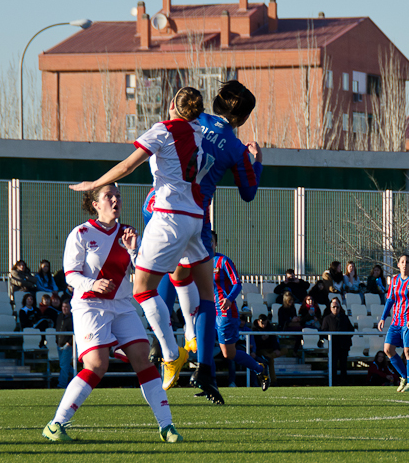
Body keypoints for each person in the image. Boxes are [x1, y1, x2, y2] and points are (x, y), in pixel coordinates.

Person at [70, 87, 222, 402]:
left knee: (142, 288)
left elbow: (128, 166)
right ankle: (198, 350)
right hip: (197, 217)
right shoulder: (202, 133)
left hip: (170, 215)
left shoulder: (164, 130)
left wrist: (94, 184)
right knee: (192, 285)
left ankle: (171, 353)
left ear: (171, 107)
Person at [140, 81, 263, 403]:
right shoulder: (235, 147)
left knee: (167, 276)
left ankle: (161, 345)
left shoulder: (194, 120)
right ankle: (203, 368)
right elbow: (249, 193)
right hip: (195, 217)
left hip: (157, 206)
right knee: (204, 293)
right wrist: (257, 161)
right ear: (243, 117)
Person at [43, 183, 182, 444]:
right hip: (89, 305)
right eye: (109, 196)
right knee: (97, 364)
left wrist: (132, 249)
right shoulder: (81, 233)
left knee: (144, 358)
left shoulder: (128, 233)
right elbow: (70, 274)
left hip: (121, 305)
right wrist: (92, 284)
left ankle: (167, 426)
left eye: (118, 196)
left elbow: (143, 272)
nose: (116, 200)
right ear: (95, 204)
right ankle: (55, 424)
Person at [211, 231, 269, 390]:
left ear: (216, 244)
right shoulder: (198, 263)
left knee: (228, 354)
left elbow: (237, 283)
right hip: (209, 312)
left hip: (225, 313)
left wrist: (229, 299)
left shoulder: (223, 261)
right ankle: (209, 386)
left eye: (211, 241)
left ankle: (260, 368)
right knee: (204, 347)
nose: (207, 244)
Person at [377, 254, 409, 393]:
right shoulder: (394, 280)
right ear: (398, 264)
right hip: (396, 322)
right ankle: (404, 376)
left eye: (407, 262)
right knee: (388, 349)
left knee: (408, 351)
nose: (404, 264)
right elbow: (390, 300)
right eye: (402, 262)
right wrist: (383, 318)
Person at [320, 297, 355, 385]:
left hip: (344, 345)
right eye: (334, 307)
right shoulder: (327, 319)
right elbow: (323, 331)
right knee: (333, 365)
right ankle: (333, 382)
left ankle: (344, 382)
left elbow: (351, 330)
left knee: (343, 365)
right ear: (330, 308)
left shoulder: (345, 317)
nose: (336, 309)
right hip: (333, 346)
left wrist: (345, 338)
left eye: (337, 307)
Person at [253, 314, 281, 384]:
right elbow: (254, 343)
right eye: (262, 323)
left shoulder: (269, 328)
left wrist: (276, 349)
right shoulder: (254, 329)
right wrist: (261, 339)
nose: (264, 325)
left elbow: (273, 340)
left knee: (284, 350)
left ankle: (268, 357)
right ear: (258, 322)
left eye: (265, 323)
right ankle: (271, 381)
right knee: (269, 360)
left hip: (269, 350)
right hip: (260, 350)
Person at [56, 299, 74, 389]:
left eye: (66, 307)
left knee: (63, 365)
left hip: (67, 346)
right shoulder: (59, 316)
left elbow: (75, 332)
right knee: (65, 366)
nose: (64, 309)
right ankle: (78, 379)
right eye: (63, 306)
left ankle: (61, 385)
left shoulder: (73, 318)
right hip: (59, 345)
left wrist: (69, 343)